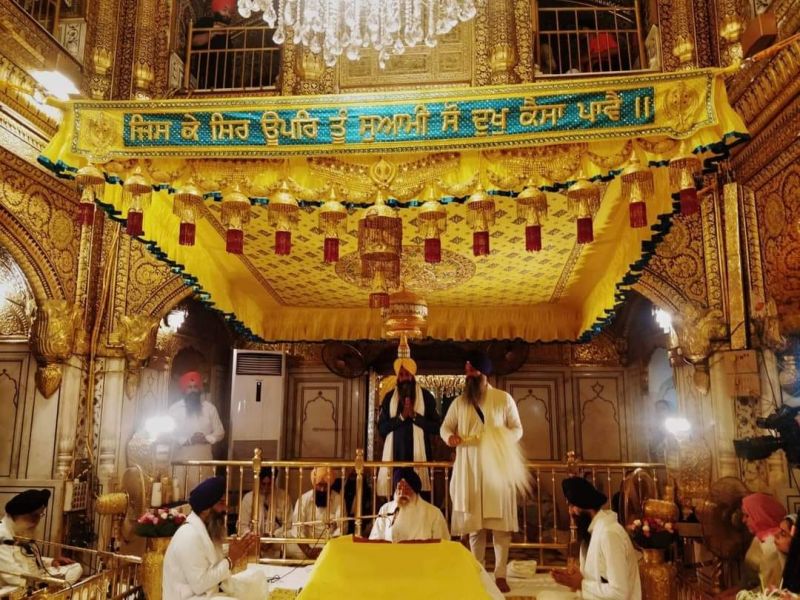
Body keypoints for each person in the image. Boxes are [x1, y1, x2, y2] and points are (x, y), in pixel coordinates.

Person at [440, 351, 524, 594]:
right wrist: (450, 438)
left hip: (496, 466)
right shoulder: (459, 403)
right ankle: (478, 572)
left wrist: (499, 438)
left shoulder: (503, 399)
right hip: (469, 466)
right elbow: (445, 427)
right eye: (466, 371)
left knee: (500, 526)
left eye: (472, 371)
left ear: (483, 373)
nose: (468, 376)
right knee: (475, 526)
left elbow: (517, 429)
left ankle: (500, 574)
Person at [543, 476, 641, 600]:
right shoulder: (592, 533)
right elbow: (597, 579)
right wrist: (572, 579)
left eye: (573, 506)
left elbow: (620, 593)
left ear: (585, 505)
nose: (570, 512)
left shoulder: (610, 534)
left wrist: (581, 584)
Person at [162, 477, 259, 600]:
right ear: (205, 509)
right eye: (221, 503)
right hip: (191, 596)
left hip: (206, 593)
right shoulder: (189, 536)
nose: (226, 509)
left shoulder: (204, 528)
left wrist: (238, 549)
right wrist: (230, 560)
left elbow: (208, 555)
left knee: (257, 579)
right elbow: (200, 584)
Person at [377, 346, 440, 498]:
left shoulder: (426, 397)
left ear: (413, 376)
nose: (404, 378)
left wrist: (415, 416)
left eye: (407, 374)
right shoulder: (389, 398)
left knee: (420, 499)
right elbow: (382, 428)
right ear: (397, 377)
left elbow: (437, 427)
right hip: (395, 459)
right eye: (401, 374)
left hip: (420, 459)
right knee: (395, 499)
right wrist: (401, 417)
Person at [0, 490, 82, 590]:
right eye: (34, 515)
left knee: (76, 568)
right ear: (18, 513)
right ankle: (49, 591)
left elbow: (28, 558)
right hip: (15, 584)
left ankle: (51, 590)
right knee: (15, 589)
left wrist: (51, 562)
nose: (37, 521)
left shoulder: (20, 530)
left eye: (40, 515)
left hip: (35, 577)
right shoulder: (2, 534)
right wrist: (39, 584)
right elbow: (11, 575)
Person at [169, 371, 225, 494]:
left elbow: (220, 431)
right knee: (181, 497)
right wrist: (188, 440)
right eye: (189, 387)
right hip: (181, 464)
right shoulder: (174, 409)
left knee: (203, 498)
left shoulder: (209, 408)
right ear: (184, 390)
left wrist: (206, 438)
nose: (193, 390)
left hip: (203, 463)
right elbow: (169, 434)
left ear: (200, 389)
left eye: (195, 387)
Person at [369, 467, 450, 543]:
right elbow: (375, 541)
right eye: (399, 488)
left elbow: (443, 545)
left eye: (407, 488)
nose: (402, 493)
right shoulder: (385, 510)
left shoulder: (434, 513)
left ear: (415, 491)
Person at [288, 467, 343, 560]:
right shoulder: (303, 499)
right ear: (314, 484)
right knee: (287, 544)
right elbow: (297, 529)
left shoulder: (338, 500)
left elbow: (341, 528)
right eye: (319, 485)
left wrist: (327, 548)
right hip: (307, 542)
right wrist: (308, 551)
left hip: (329, 543)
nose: (322, 489)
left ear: (330, 485)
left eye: (325, 486)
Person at [190, 0, 235, 90]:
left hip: (223, 84)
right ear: (217, 8)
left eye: (230, 12)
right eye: (224, 10)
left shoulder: (227, 34)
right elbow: (193, 41)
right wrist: (212, 32)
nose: (227, 14)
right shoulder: (206, 21)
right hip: (204, 77)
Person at [238, 467, 288, 537]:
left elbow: (288, 525)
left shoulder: (284, 497)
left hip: (277, 541)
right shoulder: (248, 498)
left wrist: (274, 535)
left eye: (269, 484)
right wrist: (251, 536)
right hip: (253, 540)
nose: (266, 488)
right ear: (258, 481)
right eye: (263, 484)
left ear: (274, 481)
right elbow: (242, 525)